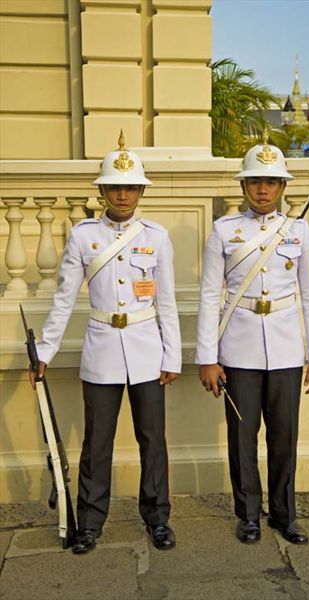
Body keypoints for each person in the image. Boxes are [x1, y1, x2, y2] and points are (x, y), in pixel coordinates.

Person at [29, 131, 181, 553]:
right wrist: (44, 351)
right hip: (101, 348)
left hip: (148, 349)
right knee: (97, 442)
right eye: (115, 186)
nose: (123, 194)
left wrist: (173, 356)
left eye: (131, 187)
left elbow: (165, 303)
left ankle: (157, 518)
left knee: (153, 439)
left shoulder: (156, 236)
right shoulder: (83, 237)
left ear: (141, 191)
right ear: (102, 189)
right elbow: (63, 299)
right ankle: (91, 522)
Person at [195, 135, 309, 545]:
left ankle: (285, 515)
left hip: (287, 349)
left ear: (283, 186)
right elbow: (208, 295)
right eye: (255, 180)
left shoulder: (299, 232)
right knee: (242, 436)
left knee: (284, 435)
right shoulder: (224, 230)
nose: (263, 188)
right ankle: (249, 514)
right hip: (238, 349)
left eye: (271, 181)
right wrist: (207, 357)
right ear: (243, 186)